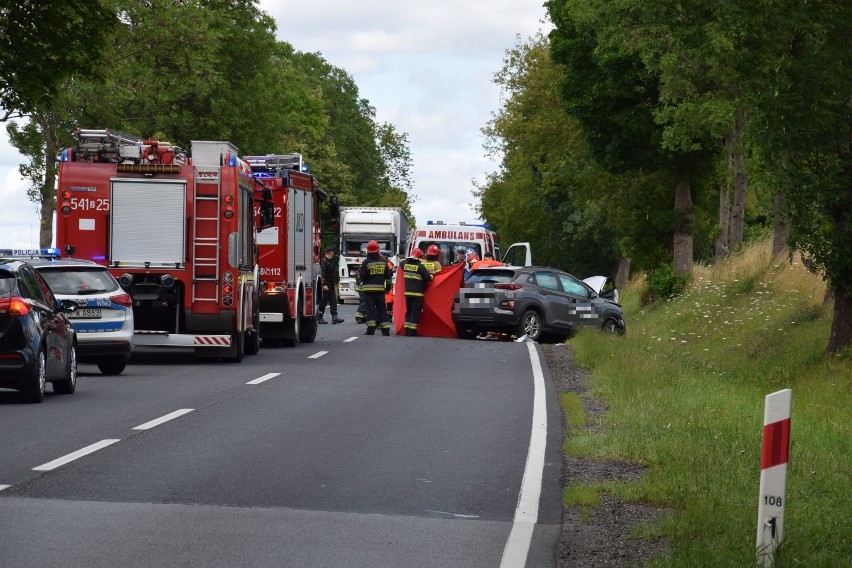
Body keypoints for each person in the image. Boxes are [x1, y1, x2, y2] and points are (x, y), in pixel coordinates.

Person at [356, 240, 392, 336]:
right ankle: (386, 330)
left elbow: (361, 276)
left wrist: (358, 279)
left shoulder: (366, 262)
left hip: (368, 291)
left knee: (370, 310)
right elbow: (388, 277)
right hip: (380, 290)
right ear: (378, 250)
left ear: (368, 250)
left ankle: (371, 329)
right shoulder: (383, 262)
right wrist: (388, 288)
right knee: (382, 309)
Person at [401, 248, 433, 336]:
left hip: (407, 293)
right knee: (415, 312)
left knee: (409, 312)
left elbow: (401, 262)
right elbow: (427, 278)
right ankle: (412, 331)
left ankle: (406, 331)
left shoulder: (405, 264)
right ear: (419, 257)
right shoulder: (421, 267)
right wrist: (431, 275)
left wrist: (408, 259)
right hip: (417, 294)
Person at [318, 247, 344, 324]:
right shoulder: (324, 262)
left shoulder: (330, 261)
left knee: (333, 301)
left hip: (331, 285)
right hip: (326, 285)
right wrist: (324, 285)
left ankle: (334, 317)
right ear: (331, 252)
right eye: (334, 253)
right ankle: (320, 317)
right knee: (323, 302)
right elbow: (322, 274)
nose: (334, 254)